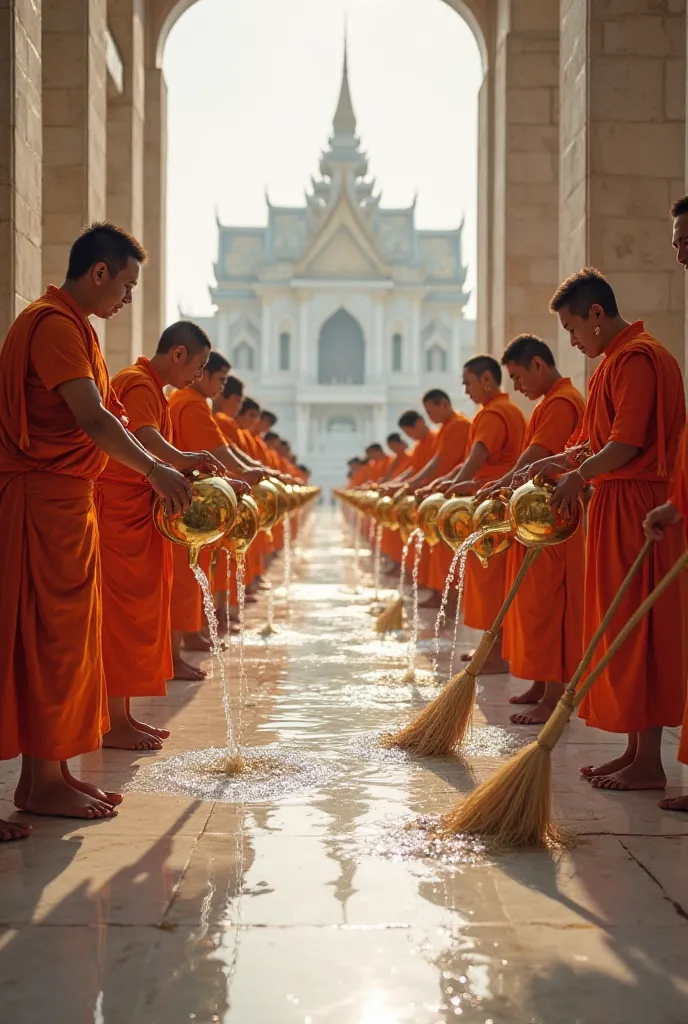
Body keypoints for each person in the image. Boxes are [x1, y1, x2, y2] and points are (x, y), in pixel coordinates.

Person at [0, 222, 192, 827]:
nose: (128, 299)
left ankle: (47, 777)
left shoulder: (76, 328)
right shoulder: (54, 326)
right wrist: (158, 470)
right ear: (100, 272)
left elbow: (106, 421)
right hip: (38, 503)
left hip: (67, 504)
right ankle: (44, 780)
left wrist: (170, 464)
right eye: (126, 284)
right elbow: (93, 421)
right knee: (39, 641)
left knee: (62, 643)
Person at [544, 268, 686, 792]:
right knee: (617, 626)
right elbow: (596, 441)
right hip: (616, 504)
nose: (572, 339)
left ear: (597, 315)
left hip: (640, 506)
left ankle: (650, 762)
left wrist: (578, 474)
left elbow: (625, 446)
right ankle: (633, 751)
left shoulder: (638, 359)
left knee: (638, 627)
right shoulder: (612, 364)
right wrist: (556, 465)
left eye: (573, 327)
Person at [96, 322, 246, 751]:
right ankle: (112, 720)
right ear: (178, 354)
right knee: (119, 617)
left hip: (136, 514)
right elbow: (142, 440)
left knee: (132, 615)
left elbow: (154, 450)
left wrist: (209, 477)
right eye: (198, 368)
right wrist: (185, 459)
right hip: (118, 515)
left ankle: (121, 716)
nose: (196, 380)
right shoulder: (138, 384)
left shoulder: (151, 389)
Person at [493, 335, 585, 722]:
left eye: (517, 377)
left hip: (556, 522)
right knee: (533, 603)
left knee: (550, 606)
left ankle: (554, 693)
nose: (516, 388)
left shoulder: (563, 402)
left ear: (537, 365)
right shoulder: (550, 403)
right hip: (539, 518)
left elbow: (540, 455)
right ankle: (539, 681)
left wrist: (503, 481)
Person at [168, 353, 265, 658]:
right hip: (187, 502)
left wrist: (243, 472)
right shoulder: (190, 402)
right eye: (219, 380)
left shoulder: (195, 404)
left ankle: (195, 632)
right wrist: (242, 473)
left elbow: (220, 451)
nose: (220, 389)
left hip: (198, 498)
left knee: (199, 570)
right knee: (186, 576)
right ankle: (173, 654)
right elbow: (218, 451)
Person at [641, 194, 688, 811]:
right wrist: (679, 501)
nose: (678, 251)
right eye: (676, 239)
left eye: (686, 239)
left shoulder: (642, 358)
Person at [444, 356, 526, 671]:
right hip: (500, 505)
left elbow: (479, 455)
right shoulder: (508, 411)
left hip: (495, 509)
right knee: (493, 581)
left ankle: (497, 652)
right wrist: (450, 480)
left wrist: (453, 486)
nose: (467, 391)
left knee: (492, 582)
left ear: (486, 379)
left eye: (468, 383)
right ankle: (493, 647)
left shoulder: (494, 413)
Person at [408, 390, 471, 606]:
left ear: (444, 404)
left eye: (430, 410)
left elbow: (442, 461)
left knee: (447, 550)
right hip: (441, 492)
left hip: (455, 495)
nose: (429, 416)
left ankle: (450, 599)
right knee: (436, 548)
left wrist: (416, 483)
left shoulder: (459, 425)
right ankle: (438, 592)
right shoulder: (445, 429)